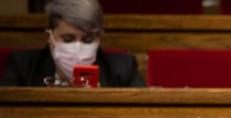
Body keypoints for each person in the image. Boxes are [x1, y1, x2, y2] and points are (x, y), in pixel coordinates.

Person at [1, 0, 144, 87]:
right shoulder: (22, 67)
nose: (78, 48)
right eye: (68, 39)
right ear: (49, 37)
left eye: (88, 40)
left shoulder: (122, 69)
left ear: (98, 39)